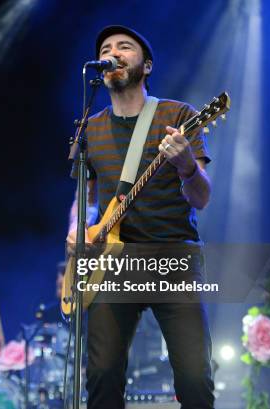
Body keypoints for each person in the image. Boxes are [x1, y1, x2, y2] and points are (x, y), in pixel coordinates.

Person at [66, 26, 215, 408]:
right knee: (100, 374)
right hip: (113, 264)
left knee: (195, 376)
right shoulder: (90, 128)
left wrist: (185, 166)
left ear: (146, 65)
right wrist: (75, 230)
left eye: (124, 47)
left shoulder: (177, 116)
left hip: (172, 258)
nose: (113, 52)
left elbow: (201, 198)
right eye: (106, 49)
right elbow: (84, 198)